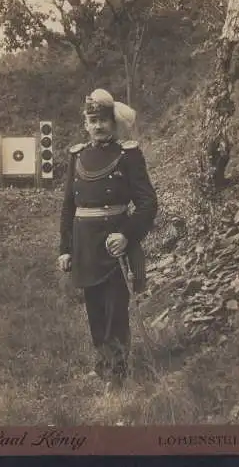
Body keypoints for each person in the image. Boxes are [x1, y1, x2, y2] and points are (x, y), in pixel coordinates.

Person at [58, 88, 157, 390]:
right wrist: (65, 248)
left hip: (114, 245)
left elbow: (148, 203)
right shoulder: (77, 156)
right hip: (85, 244)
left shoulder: (128, 155)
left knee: (116, 307)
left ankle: (118, 369)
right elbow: (68, 206)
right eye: (92, 120)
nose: (98, 126)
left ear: (113, 123)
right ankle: (102, 362)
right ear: (85, 124)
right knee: (95, 307)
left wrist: (126, 235)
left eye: (103, 120)